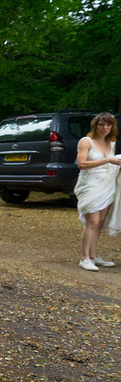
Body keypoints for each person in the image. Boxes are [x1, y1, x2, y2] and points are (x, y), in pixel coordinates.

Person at [73, 112, 121, 271]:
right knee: (92, 222)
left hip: (107, 186)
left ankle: (93, 256)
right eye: (101, 124)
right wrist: (108, 160)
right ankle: (84, 258)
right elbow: (82, 164)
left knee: (99, 223)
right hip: (90, 186)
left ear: (113, 127)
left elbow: (112, 165)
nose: (105, 128)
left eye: (108, 125)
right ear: (95, 125)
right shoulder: (86, 141)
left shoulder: (111, 143)